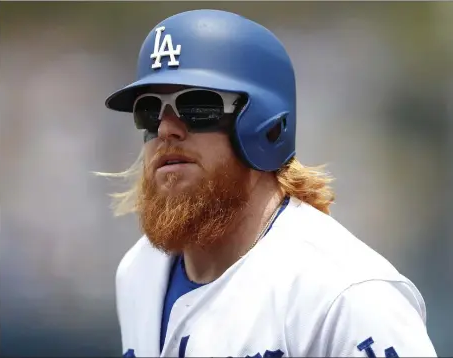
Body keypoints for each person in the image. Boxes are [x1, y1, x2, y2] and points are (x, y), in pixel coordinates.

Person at [100, 9, 437, 358]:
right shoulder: (138, 273)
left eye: (197, 106)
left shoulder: (346, 295)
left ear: (267, 126)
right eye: (150, 111)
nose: (167, 128)